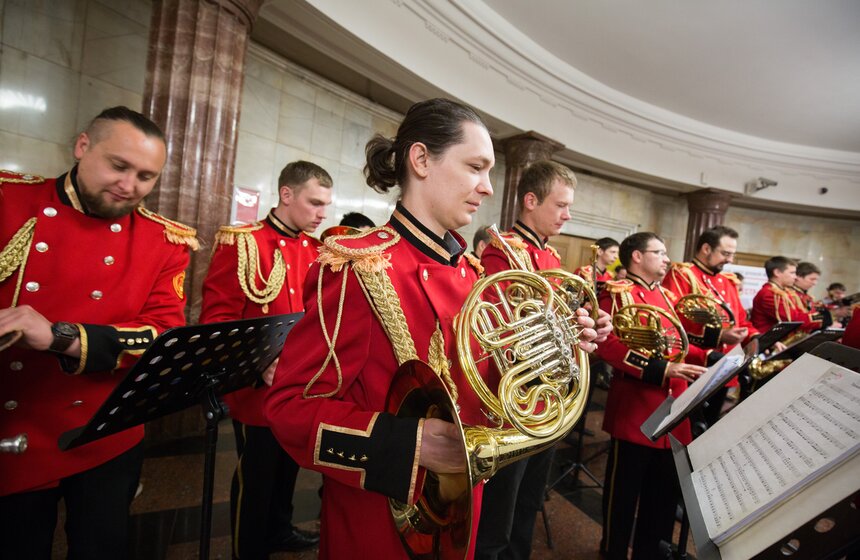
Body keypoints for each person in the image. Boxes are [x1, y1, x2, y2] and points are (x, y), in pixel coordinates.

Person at [263, 99, 598, 559]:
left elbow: (492, 392)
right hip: (379, 523)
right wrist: (410, 445)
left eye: (489, 172)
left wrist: (555, 352)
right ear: (421, 160)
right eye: (475, 167)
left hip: (464, 509)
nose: (486, 188)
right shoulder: (358, 266)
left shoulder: (476, 275)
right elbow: (289, 408)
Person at [0, 106, 197, 558]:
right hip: (15, 423)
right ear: (83, 146)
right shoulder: (9, 199)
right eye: (119, 166)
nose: (130, 186)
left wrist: (59, 336)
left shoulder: (165, 241)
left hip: (106, 432)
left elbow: (164, 335)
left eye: (147, 176)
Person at [476, 160, 611, 560]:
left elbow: (560, 320)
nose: (568, 215)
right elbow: (496, 331)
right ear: (530, 201)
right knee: (501, 510)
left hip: (550, 397)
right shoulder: (503, 252)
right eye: (561, 205)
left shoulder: (549, 256)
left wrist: (587, 325)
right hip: (515, 398)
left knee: (528, 501)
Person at [200, 161, 333, 558]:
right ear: (286, 195)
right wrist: (258, 362)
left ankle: (279, 529)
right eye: (314, 203)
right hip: (258, 388)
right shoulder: (243, 243)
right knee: (255, 478)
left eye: (326, 205)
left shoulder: (314, 250)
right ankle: (250, 547)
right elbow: (216, 320)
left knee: (289, 466)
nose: (322, 214)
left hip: (300, 386)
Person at [595, 232, 708, 560]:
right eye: (658, 252)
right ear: (637, 257)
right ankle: (613, 551)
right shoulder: (618, 293)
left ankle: (650, 551)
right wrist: (662, 370)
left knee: (661, 494)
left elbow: (678, 343)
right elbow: (609, 345)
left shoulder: (667, 295)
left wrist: (712, 355)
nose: (666, 258)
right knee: (623, 495)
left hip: (674, 409)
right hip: (636, 410)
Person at [662, 226, 758, 425]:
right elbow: (674, 320)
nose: (730, 260)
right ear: (706, 248)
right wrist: (719, 336)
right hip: (697, 366)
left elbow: (742, 319)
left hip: (726, 368)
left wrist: (754, 336)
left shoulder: (727, 281)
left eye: (732, 254)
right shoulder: (683, 274)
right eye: (725, 253)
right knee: (689, 427)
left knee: (712, 422)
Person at [751, 256, 826, 333]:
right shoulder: (770, 294)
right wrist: (821, 317)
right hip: (771, 342)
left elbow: (800, 313)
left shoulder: (784, 292)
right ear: (777, 273)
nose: (795, 277)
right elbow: (793, 320)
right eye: (792, 273)